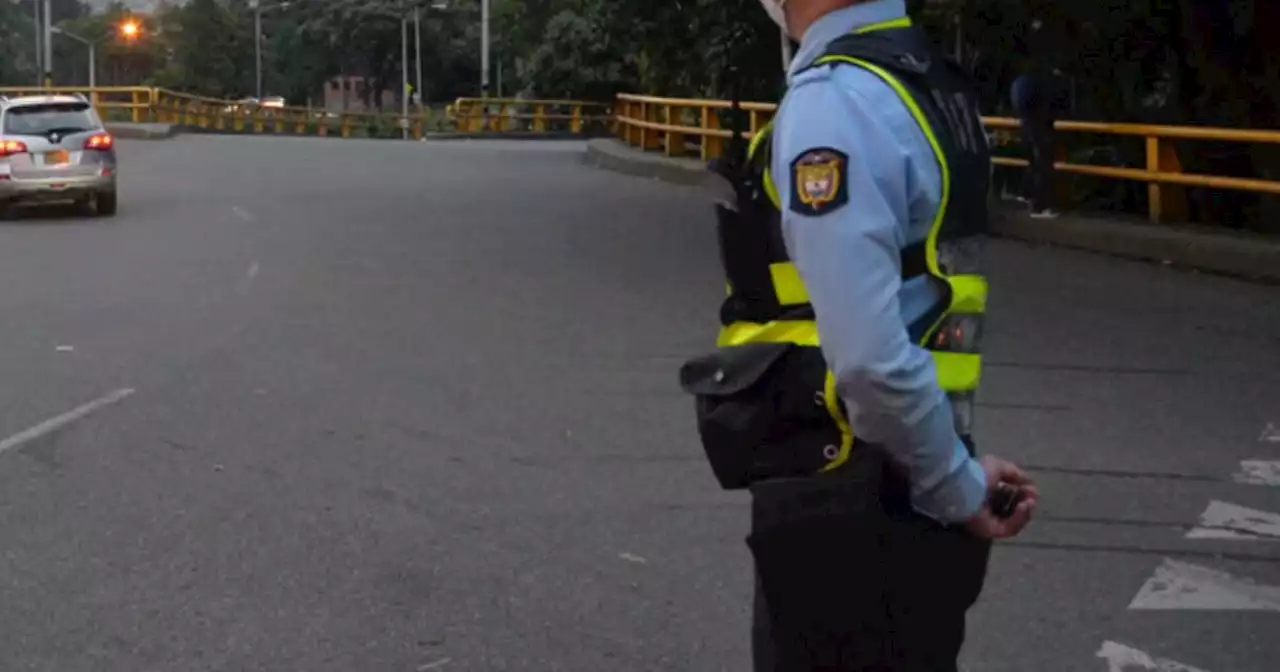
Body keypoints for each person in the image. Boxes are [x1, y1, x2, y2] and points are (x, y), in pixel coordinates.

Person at [679, 0, 1039, 669]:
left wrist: (955, 488)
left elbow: (871, 360)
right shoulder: (928, 81)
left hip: (849, 498)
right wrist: (956, 472)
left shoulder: (836, 101)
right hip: (914, 475)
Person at [1011, 19, 1065, 218]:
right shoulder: (1042, 76)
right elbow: (1051, 98)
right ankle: (1040, 207)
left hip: (1025, 121)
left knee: (1034, 161)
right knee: (1043, 163)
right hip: (1039, 121)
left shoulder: (1024, 74)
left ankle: (1027, 195)